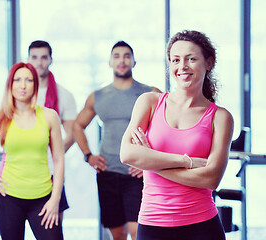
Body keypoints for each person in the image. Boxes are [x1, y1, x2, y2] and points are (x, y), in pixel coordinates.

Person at [120, 30, 234, 240]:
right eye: (175, 60)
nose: (182, 66)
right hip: (153, 223)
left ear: (208, 63)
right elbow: (127, 153)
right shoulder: (150, 102)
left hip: (202, 225)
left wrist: (150, 162)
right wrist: (187, 162)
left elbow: (211, 178)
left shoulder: (220, 117)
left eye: (191, 58)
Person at [0, 62, 64, 240]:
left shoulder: (49, 116)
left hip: (43, 197)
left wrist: (55, 200)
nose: (22, 85)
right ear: (10, 84)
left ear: (35, 85)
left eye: (28, 80)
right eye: (17, 80)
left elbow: (59, 159)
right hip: (8, 197)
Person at [73, 41, 161, 240]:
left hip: (137, 174)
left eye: (127, 56)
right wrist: (88, 156)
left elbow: (166, 130)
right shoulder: (98, 96)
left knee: (137, 231)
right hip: (108, 173)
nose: (122, 60)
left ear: (134, 62)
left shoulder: (151, 93)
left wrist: (149, 163)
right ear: (110, 62)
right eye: (117, 56)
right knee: (118, 234)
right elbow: (77, 125)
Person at [28, 40, 77, 221]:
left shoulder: (64, 95)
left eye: (43, 57)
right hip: (20, 171)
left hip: (50, 172)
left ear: (51, 60)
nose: (39, 62)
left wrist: (52, 157)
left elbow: (70, 136)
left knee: (52, 228)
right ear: (28, 59)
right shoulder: (19, 92)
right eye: (34, 57)